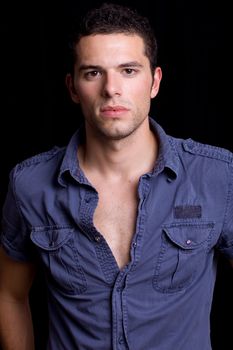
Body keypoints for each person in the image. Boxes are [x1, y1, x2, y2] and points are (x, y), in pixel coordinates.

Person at [0, 2, 233, 349]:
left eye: (128, 70)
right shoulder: (29, 185)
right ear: (73, 87)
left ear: (154, 82)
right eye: (93, 72)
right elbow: (10, 295)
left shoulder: (218, 176)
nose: (111, 89)